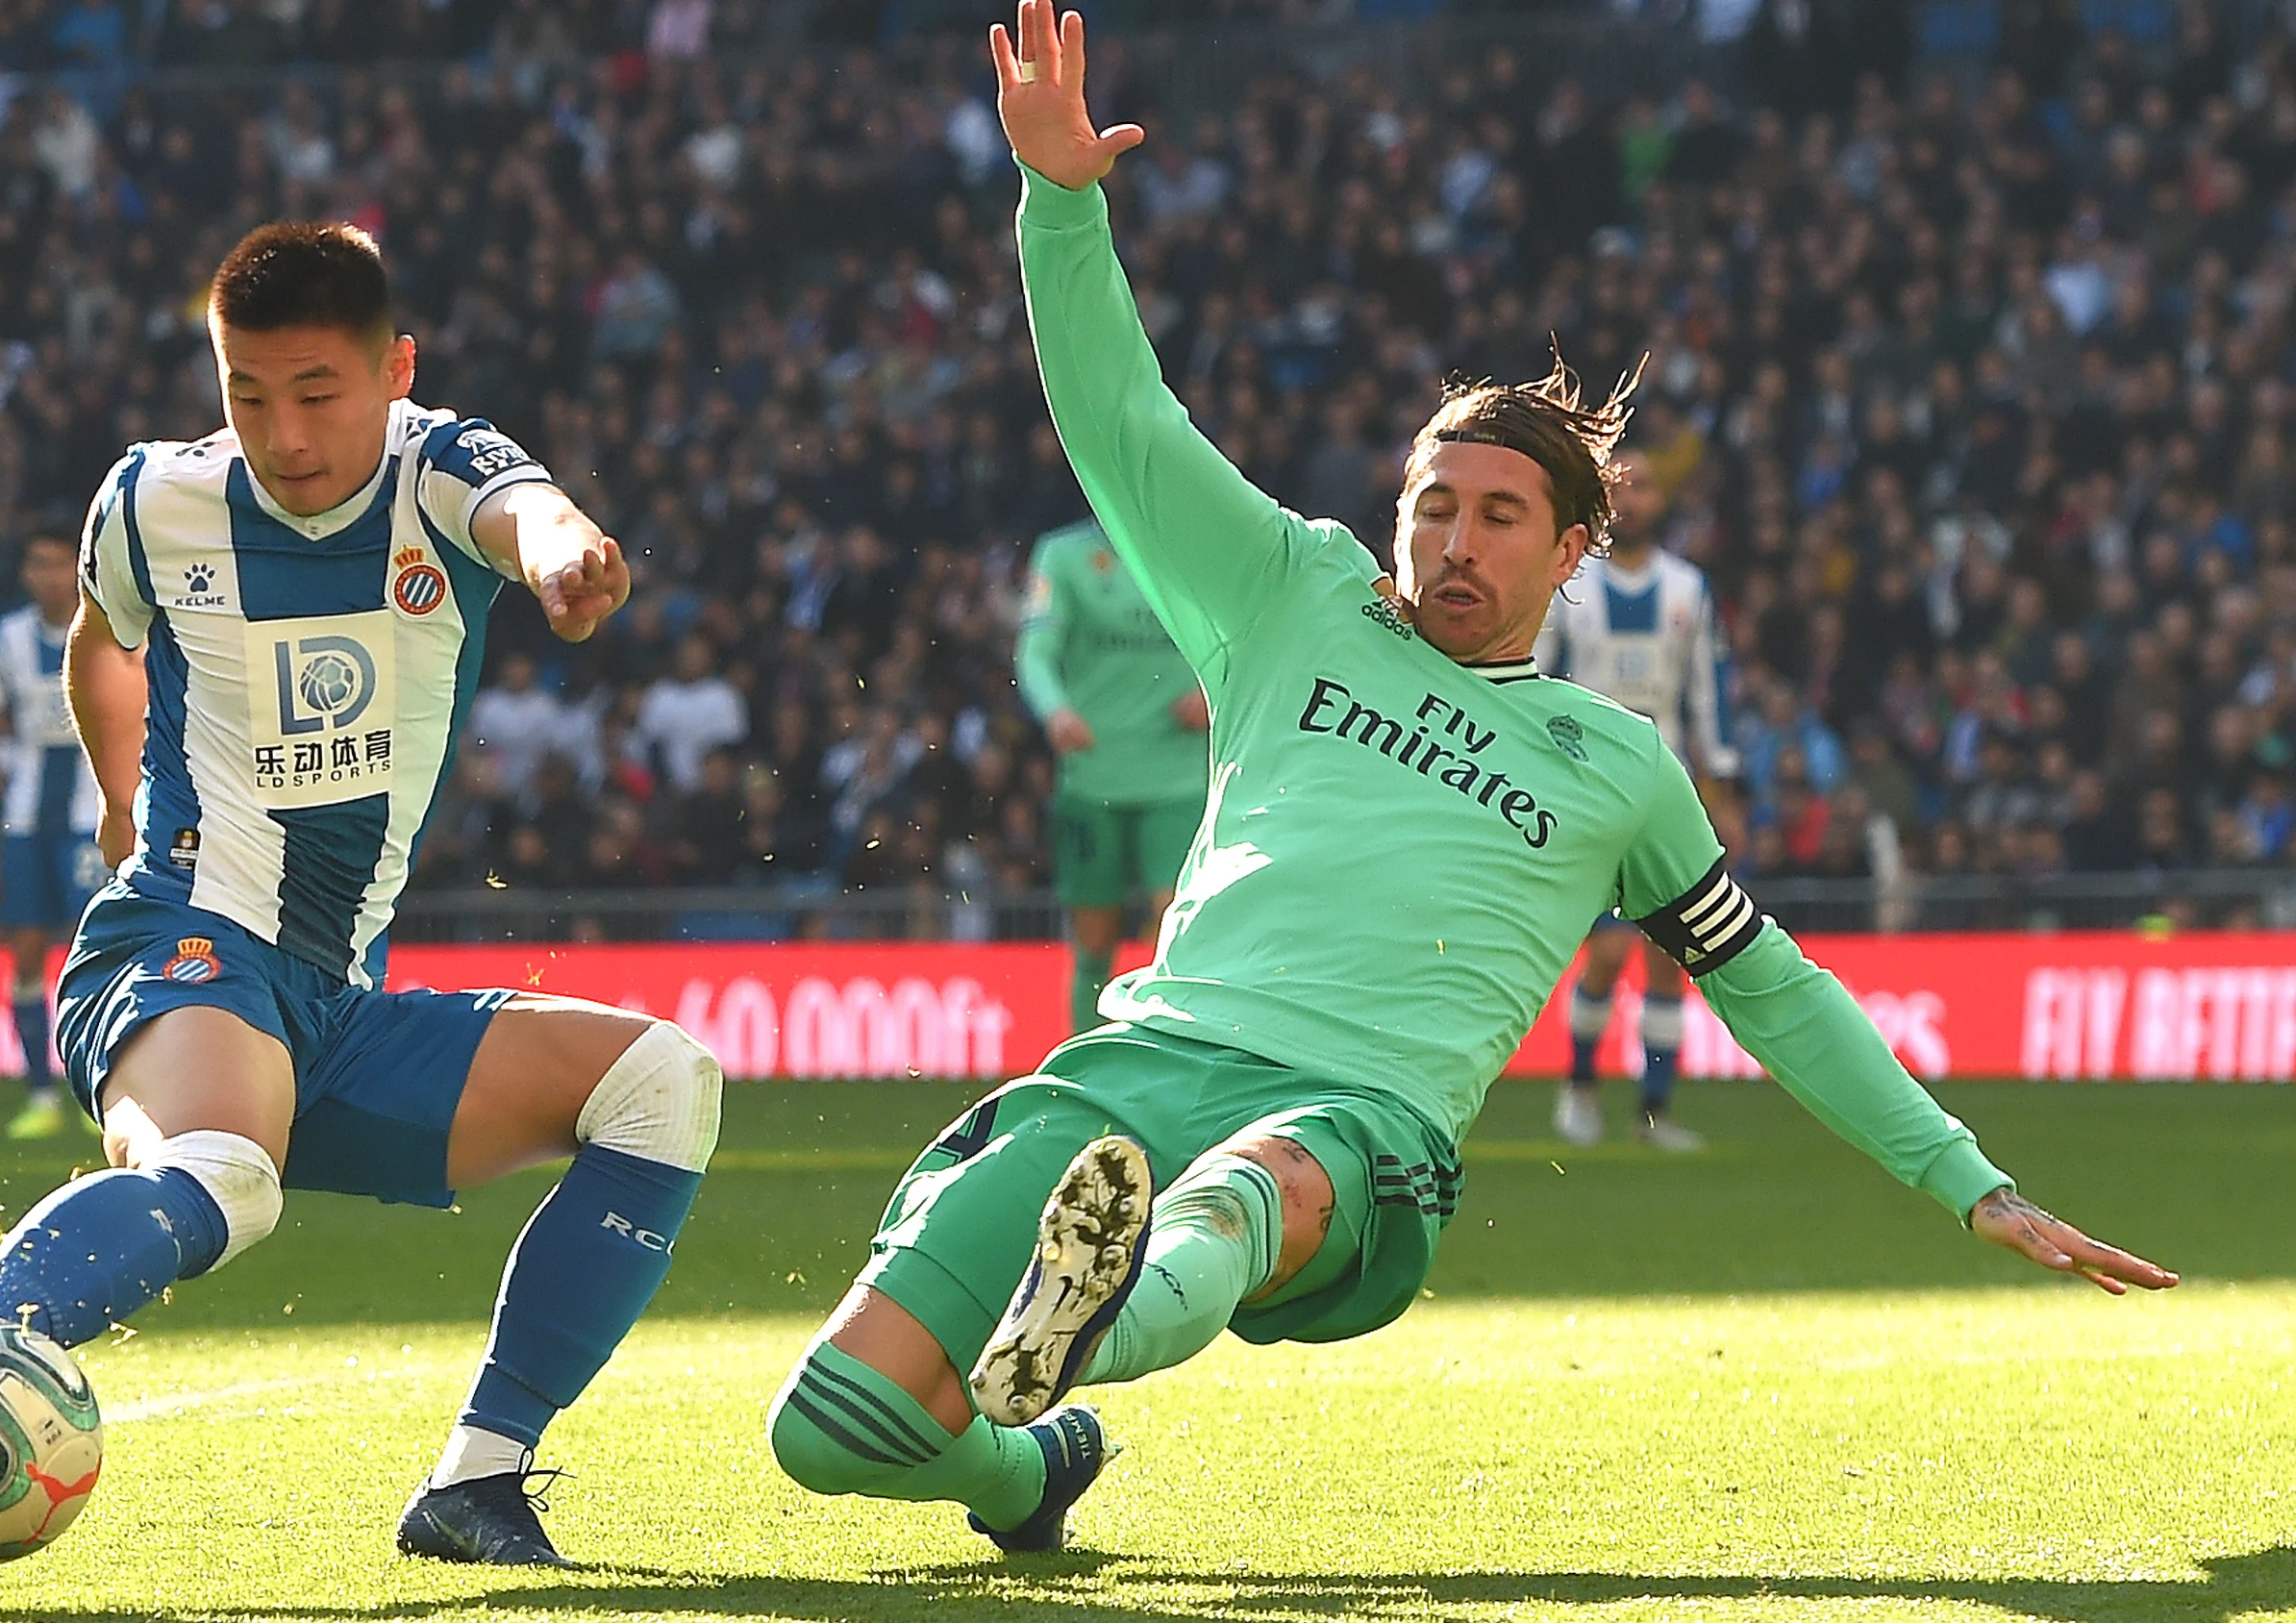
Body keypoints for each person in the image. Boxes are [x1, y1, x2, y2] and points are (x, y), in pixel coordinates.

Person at [762, 4, 2178, 1557]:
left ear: (1573, 551)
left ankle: (1099, 1306)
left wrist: (1965, 1179)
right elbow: (1123, 425)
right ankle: (1035, 1466)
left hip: (1356, 1117)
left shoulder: (1617, 766)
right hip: (1136, 1065)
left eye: (1503, 515)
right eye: (1435, 504)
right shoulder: (1297, 594)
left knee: (1254, 1187)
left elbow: (1772, 984)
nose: (1457, 539)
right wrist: (1061, 202)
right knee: (836, 1424)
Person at [0, 222, 723, 1567]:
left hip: (333, 998)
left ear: (395, 369)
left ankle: (478, 1485)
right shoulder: (155, 500)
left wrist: (564, 556)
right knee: (226, 1175)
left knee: (662, 1084)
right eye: (245, 392)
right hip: (184, 939)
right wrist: (114, 801)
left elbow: (531, 510)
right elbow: (100, 646)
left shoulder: (441, 469)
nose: (281, 432)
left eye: (317, 391)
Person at [1532, 452, 1741, 1150]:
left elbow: (1708, 692)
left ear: (1660, 501)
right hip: (1588, 786)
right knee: (1609, 950)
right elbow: (1536, 680)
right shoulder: (1572, 584)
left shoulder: (1688, 589)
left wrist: (1723, 782)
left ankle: (1655, 1112)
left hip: (1668, 783)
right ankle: (1581, 1087)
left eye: (1643, 485)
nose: (1632, 496)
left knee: (1668, 954)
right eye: (1619, 487)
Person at [1014, 515, 1210, 1032]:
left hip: (1180, 779)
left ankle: (1164, 1059)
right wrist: (1055, 711)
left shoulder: (1196, 544)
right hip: (1094, 776)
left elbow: (1246, 638)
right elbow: (1034, 651)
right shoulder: (1062, 555)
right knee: (1094, 940)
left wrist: (1217, 692)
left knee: (1177, 933)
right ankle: (1080, 1073)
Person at [0, 532, 108, 1138]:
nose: (48, 574)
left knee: (96, 950)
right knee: (24, 950)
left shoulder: (113, 625)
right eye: (36, 562)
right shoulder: (8, 639)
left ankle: (96, 1090)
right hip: (24, 819)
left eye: (58, 561)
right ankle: (40, 1092)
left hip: (91, 816)